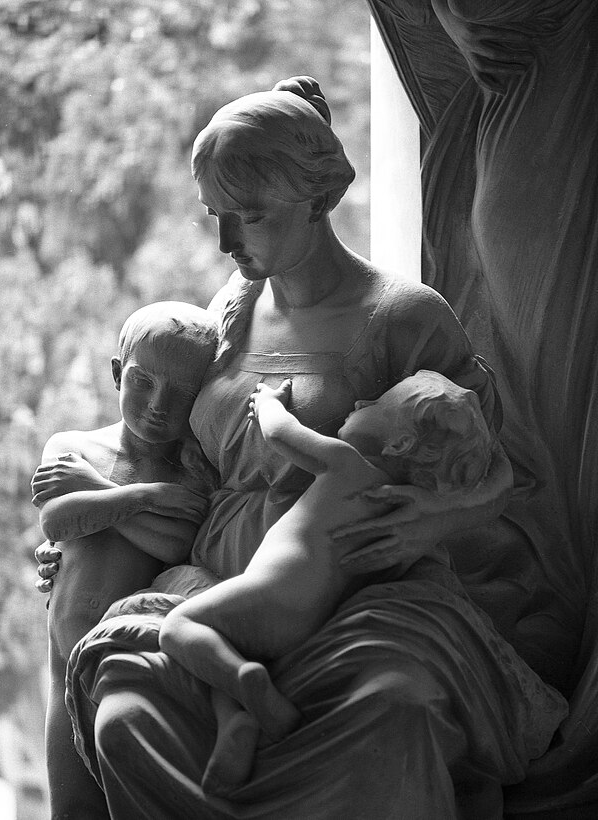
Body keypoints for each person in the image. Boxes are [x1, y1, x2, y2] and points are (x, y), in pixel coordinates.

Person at [40, 77, 567, 819]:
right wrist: (99, 524)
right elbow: (179, 458)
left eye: (248, 217)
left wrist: (429, 522)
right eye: (216, 216)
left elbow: (501, 472)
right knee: (128, 715)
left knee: (394, 714)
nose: (227, 241)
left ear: (319, 200)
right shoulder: (232, 309)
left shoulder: (403, 316)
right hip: (215, 581)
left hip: (360, 594)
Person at [159, 370, 495, 794]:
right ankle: (238, 724)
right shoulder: (394, 517)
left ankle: (247, 682)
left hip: (270, 594)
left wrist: (267, 401)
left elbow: (281, 433)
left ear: (399, 445)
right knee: (221, 656)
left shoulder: (349, 466)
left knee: (179, 629)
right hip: (312, 623)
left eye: (375, 405)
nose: (358, 405)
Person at [31, 301, 218, 819]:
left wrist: (102, 497)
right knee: (71, 809)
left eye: (181, 393)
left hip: (132, 670)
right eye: (142, 381)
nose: (158, 404)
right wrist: (143, 498)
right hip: (63, 663)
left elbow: (175, 544)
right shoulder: (73, 446)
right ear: (117, 373)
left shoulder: (193, 475)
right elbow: (57, 522)